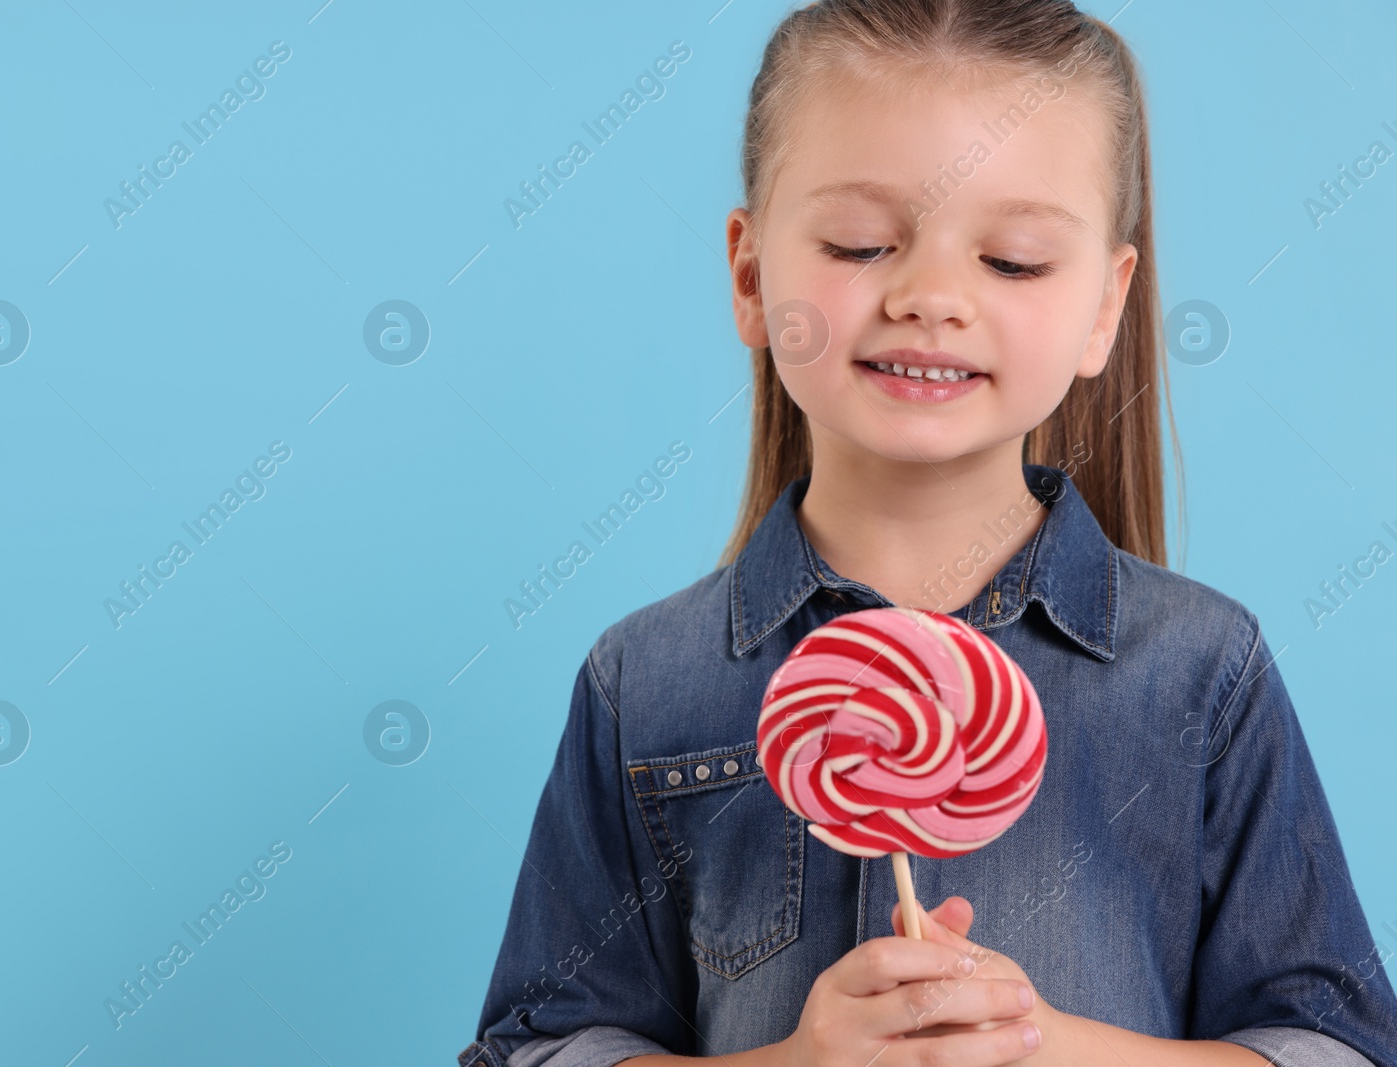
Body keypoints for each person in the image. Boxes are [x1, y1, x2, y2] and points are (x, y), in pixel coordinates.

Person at [458, 1, 1397, 1065]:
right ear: (751, 275)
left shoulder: (1198, 672)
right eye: (861, 242)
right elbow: (533, 1046)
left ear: (1105, 306)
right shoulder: (647, 683)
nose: (931, 296)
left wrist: (1042, 1043)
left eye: (1013, 259)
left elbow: (1340, 1047)